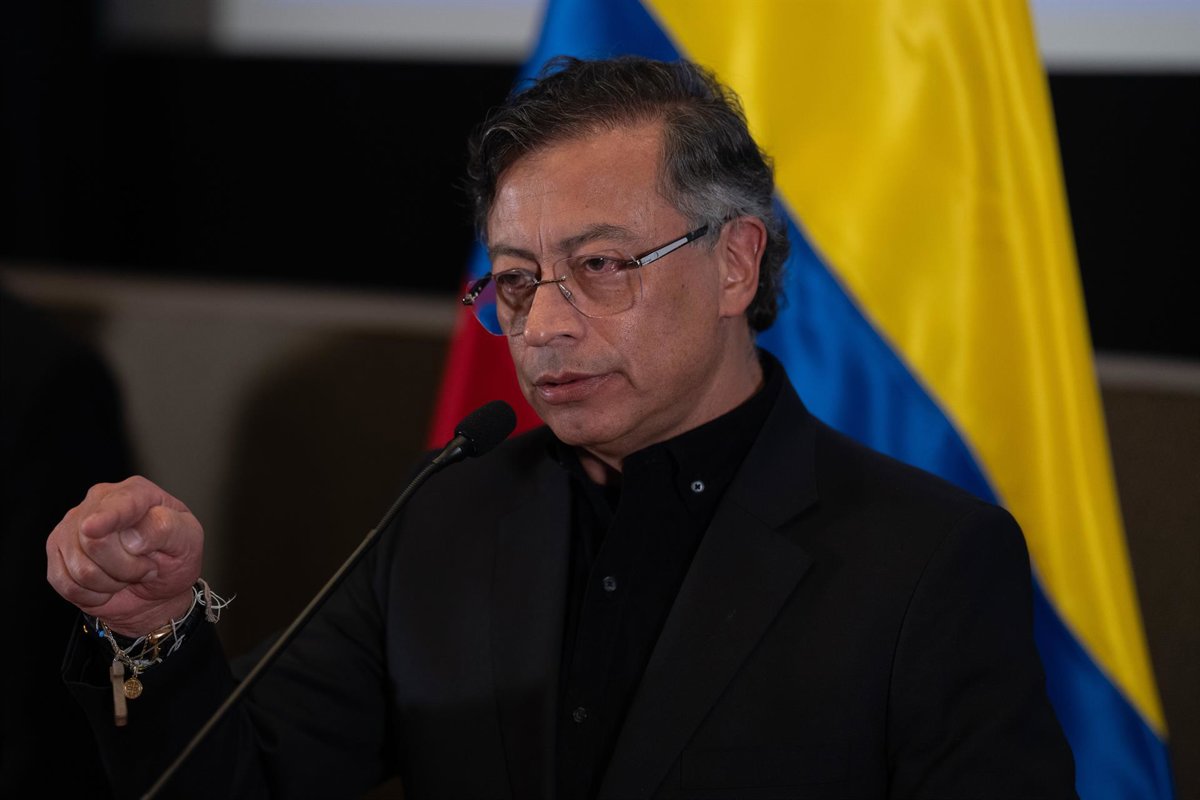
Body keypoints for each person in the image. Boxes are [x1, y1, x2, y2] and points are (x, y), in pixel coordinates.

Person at [47, 56, 1077, 799]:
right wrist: (154, 629)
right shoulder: (447, 513)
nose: (542, 327)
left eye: (600, 266)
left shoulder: (926, 561)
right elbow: (241, 781)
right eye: (515, 281)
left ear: (735, 263)